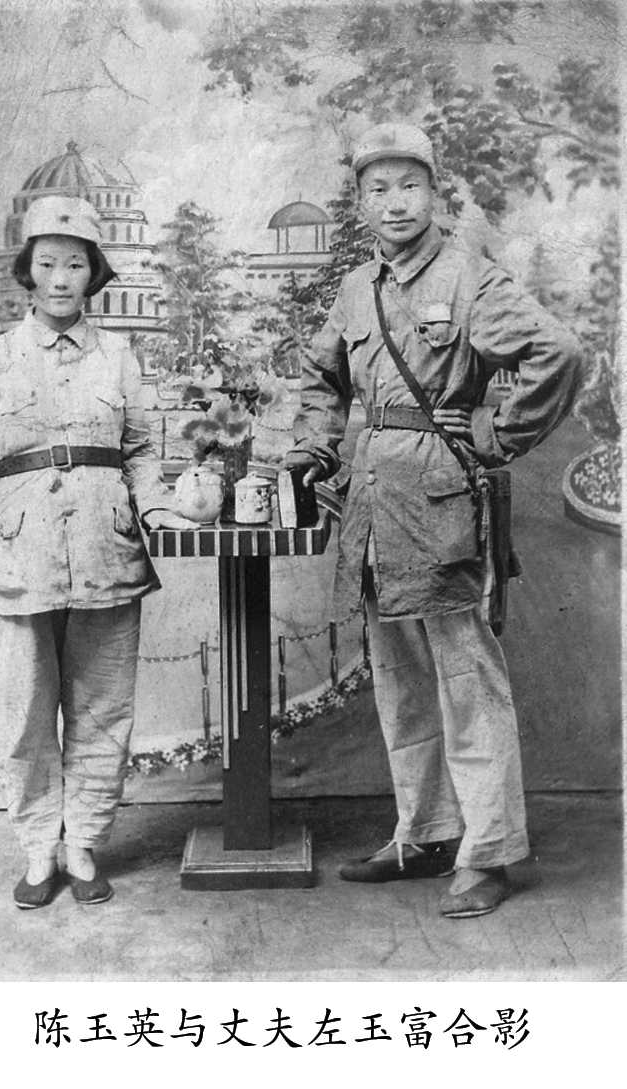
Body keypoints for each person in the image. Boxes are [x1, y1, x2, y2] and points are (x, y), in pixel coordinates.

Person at [284, 122, 581, 918]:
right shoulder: (357, 289)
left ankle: (489, 851)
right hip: (373, 506)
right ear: (359, 203)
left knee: (466, 682)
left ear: (433, 192)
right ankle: (424, 833)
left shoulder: (469, 276)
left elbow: (557, 353)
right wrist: (313, 447)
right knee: (401, 684)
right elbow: (320, 377)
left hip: (442, 501)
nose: (394, 203)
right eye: (376, 189)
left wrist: (493, 433)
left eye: (408, 185)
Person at [0, 195, 195, 909]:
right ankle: (38, 849)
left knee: (102, 709)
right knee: (26, 714)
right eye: (48, 264)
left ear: (95, 274)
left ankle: (84, 844)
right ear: (28, 272)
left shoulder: (118, 356)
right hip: (18, 556)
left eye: (76, 265)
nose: (61, 278)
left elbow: (141, 450)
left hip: (105, 548)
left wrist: (156, 512)